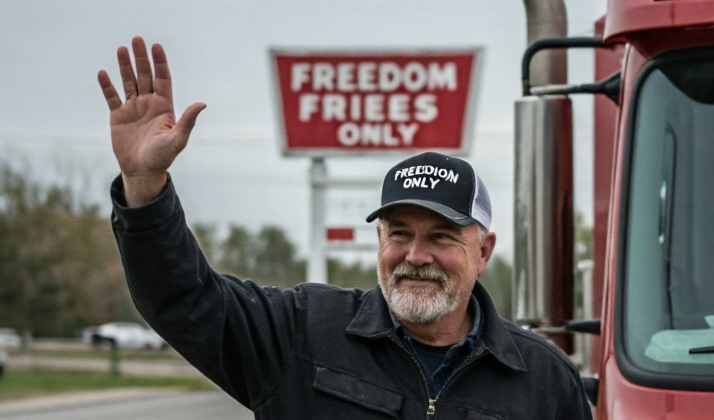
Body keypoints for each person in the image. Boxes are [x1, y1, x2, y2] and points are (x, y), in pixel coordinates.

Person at [99, 36, 592, 419]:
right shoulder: (303, 332)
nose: (415, 254)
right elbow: (182, 299)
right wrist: (144, 185)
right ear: (380, 241)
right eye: (399, 232)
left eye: (441, 236)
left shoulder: (544, 380)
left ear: (483, 251)